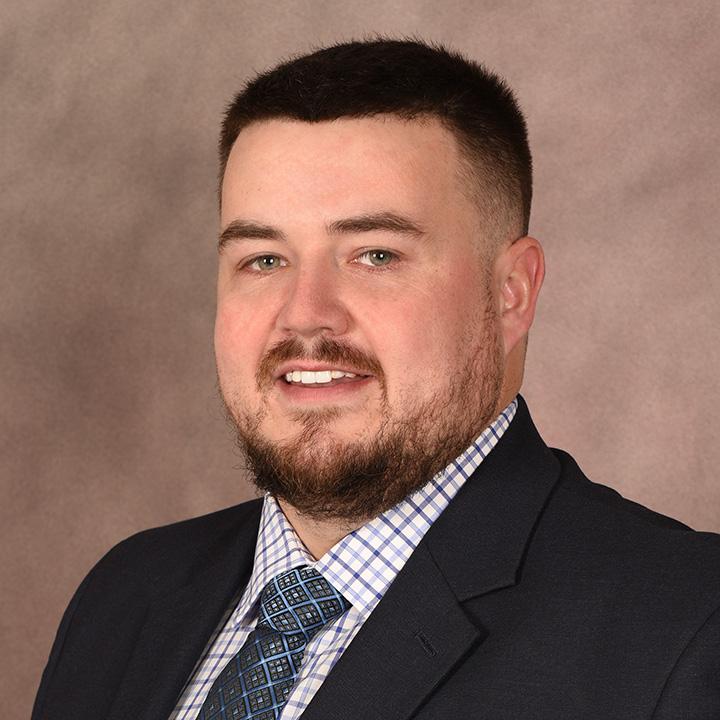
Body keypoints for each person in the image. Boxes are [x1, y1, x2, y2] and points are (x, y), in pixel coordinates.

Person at [32, 38, 720, 720]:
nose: (305, 314)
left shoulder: (686, 629)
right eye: (264, 260)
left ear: (512, 292)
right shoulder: (125, 598)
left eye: (375, 255)